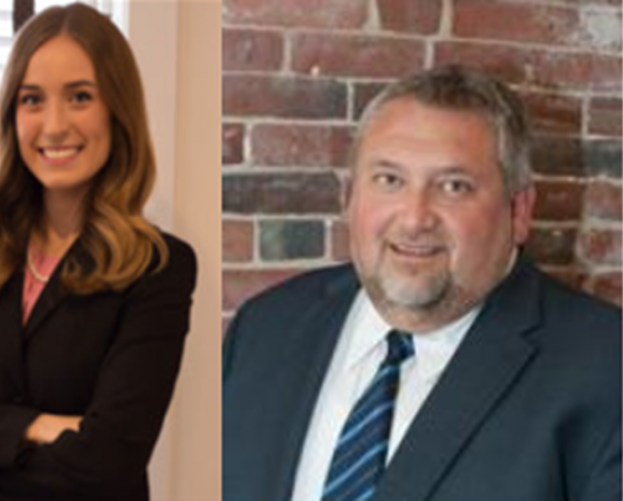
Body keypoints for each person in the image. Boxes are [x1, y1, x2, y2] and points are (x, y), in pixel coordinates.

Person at [223, 65, 621, 501]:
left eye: (454, 186)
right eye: (389, 180)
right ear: (350, 197)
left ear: (519, 211)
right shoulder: (264, 329)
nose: (415, 218)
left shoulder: (605, 370)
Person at [0, 4, 197, 501]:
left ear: (117, 109)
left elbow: (109, 460)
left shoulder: (157, 268)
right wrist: (41, 427)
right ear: (11, 114)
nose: (54, 125)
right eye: (32, 100)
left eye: (80, 97)